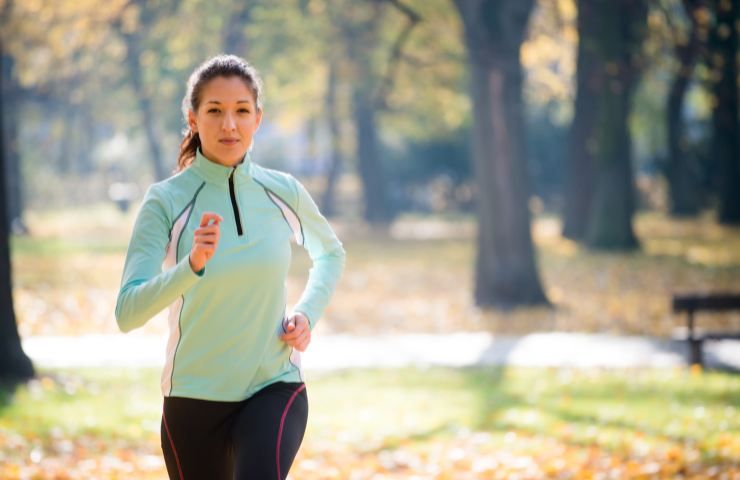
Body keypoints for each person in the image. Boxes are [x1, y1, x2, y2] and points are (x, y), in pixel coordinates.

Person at [114, 54, 346, 480]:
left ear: (258, 119)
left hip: (273, 384)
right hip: (192, 398)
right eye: (215, 111)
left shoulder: (283, 192)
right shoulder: (166, 201)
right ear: (193, 118)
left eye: (241, 111)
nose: (229, 125)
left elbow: (331, 253)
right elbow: (128, 312)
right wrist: (191, 265)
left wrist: (306, 313)